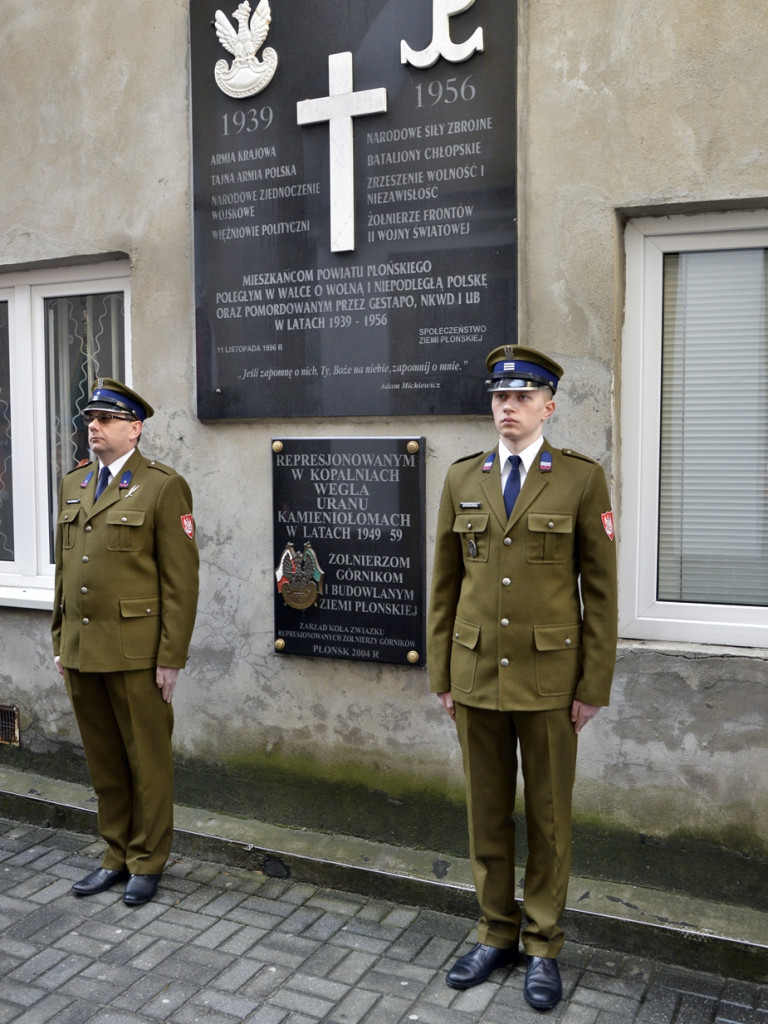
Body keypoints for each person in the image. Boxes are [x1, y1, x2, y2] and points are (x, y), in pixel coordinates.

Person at [427, 345, 617, 1011]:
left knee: (547, 816)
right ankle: (495, 932)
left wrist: (593, 686)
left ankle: (542, 944)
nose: (508, 407)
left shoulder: (579, 480)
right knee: (486, 816)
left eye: (522, 397)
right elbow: (444, 586)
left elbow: (601, 590)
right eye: (500, 397)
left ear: (547, 406)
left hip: (550, 680)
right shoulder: (462, 479)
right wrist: (442, 676)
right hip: (477, 676)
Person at [52, 378, 199, 906]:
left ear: (134, 428)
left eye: (106, 419)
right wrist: (59, 639)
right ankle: (114, 854)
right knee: (105, 761)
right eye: (90, 419)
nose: (94, 427)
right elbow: (65, 572)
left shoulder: (162, 485)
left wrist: (171, 658)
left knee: (147, 762)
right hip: (82, 649)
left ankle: (147, 859)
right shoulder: (73, 484)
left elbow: (181, 582)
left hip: (138, 654)